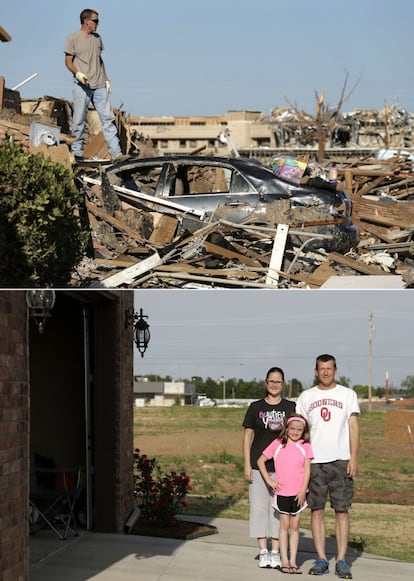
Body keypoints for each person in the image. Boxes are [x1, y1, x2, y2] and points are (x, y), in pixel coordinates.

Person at [296, 354, 360, 579]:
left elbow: (353, 427)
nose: (325, 372)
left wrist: (353, 457)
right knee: (317, 511)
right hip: (314, 462)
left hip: (340, 460)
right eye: (321, 369)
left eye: (329, 368)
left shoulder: (347, 395)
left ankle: (342, 561)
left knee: (341, 511)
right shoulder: (306, 396)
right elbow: (299, 431)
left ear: (335, 370)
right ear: (316, 371)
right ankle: (321, 558)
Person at [242, 367, 296, 569]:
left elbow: (296, 435)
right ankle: (263, 551)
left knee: (278, 509)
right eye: (271, 381)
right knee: (258, 508)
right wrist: (247, 463)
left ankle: (276, 551)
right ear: (266, 383)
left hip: (282, 467)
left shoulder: (290, 406)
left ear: (283, 384)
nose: (275, 385)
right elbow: (247, 436)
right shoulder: (255, 407)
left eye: (278, 382)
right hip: (258, 465)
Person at [64, 8, 127, 163]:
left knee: (107, 119)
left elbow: (99, 60)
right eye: (95, 20)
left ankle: (116, 154)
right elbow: (68, 61)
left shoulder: (97, 38)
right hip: (82, 86)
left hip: (99, 85)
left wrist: (106, 79)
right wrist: (78, 74)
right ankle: (77, 153)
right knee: (79, 119)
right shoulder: (73, 38)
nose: (98, 23)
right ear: (87, 21)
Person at [257, 414, 313, 574]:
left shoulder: (306, 446)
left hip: (299, 494)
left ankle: (294, 561)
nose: (295, 432)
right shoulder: (278, 444)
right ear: (286, 428)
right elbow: (261, 460)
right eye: (292, 428)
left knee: (295, 527)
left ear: (304, 431)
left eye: (299, 429)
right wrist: (269, 481)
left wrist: (303, 489)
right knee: (284, 526)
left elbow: (307, 469)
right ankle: (284, 561)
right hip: (282, 492)